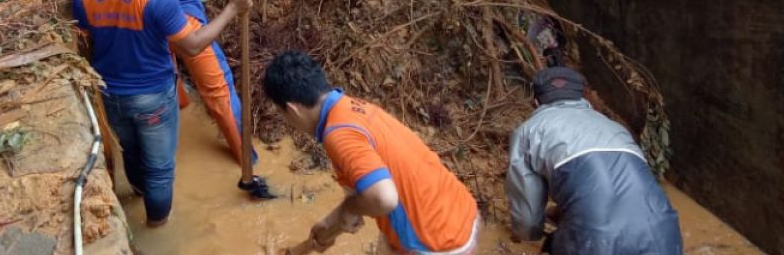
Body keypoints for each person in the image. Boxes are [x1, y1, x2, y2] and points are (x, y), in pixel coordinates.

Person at [73, 0, 253, 227]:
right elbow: (194, 44)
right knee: (160, 169)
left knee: (131, 149)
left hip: (111, 93)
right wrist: (232, 9)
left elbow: (87, 38)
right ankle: (158, 225)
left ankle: (139, 193)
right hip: (153, 96)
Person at [263, 51, 481, 255]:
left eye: (283, 114)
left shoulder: (338, 134)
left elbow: (382, 198)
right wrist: (331, 225)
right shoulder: (353, 108)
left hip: (437, 243)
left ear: (292, 109)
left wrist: (349, 207)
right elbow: (368, 192)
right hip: (460, 211)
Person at [506, 67, 683, 255]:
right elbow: (621, 194)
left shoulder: (528, 131)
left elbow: (528, 212)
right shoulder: (615, 128)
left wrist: (527, 234)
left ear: (536, 100)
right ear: (582, 96)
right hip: (665, 236)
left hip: (597, 243)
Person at [137, 0, 252, 167]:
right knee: (219, 92)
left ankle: (180, 103)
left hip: (149, 25)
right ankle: (246, 160)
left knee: (166, 64)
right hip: (187, 23)